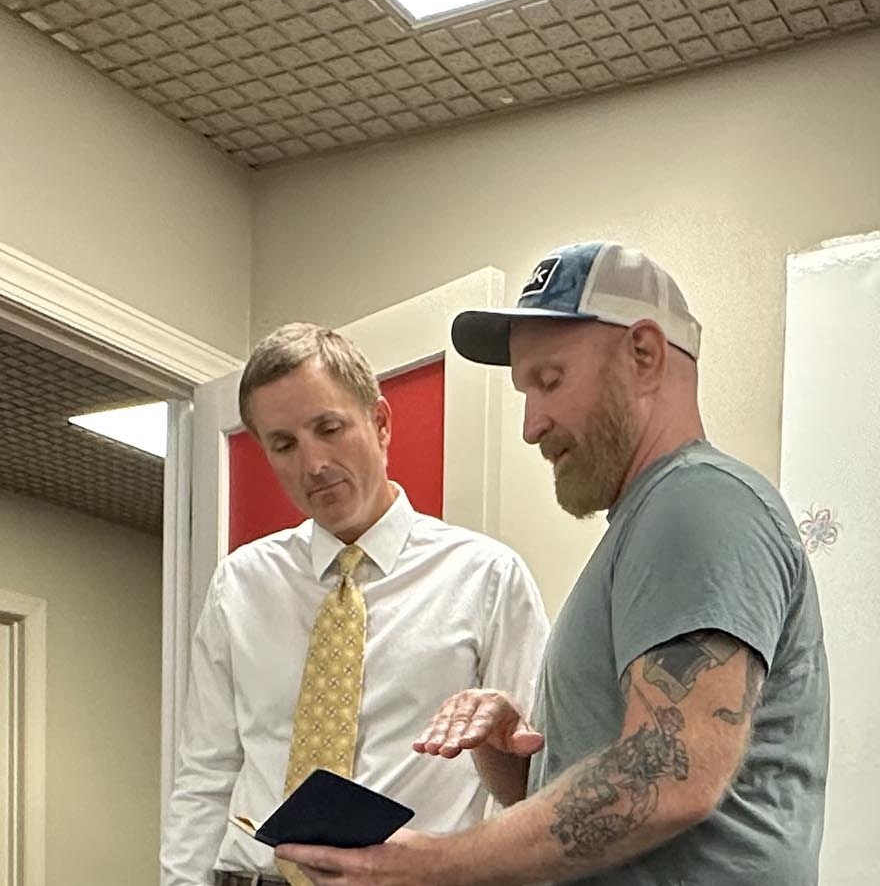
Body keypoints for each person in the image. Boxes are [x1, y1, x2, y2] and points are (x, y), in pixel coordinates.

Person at [277, 241, 829, 885]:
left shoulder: (697, 500)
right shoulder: (649, 522)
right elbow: (620, 809)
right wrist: (516, 765)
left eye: (551, 381)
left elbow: (671, 776)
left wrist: (430, 865)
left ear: (644, 355)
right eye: (524, 391)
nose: (531, 425)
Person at [162, 323, 550, 886]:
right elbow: (206, 773)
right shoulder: (241, 584)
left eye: (329, 428)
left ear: (381, 423)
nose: (313, 464)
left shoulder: (487, 576)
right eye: (284, 444)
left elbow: (528, 784)